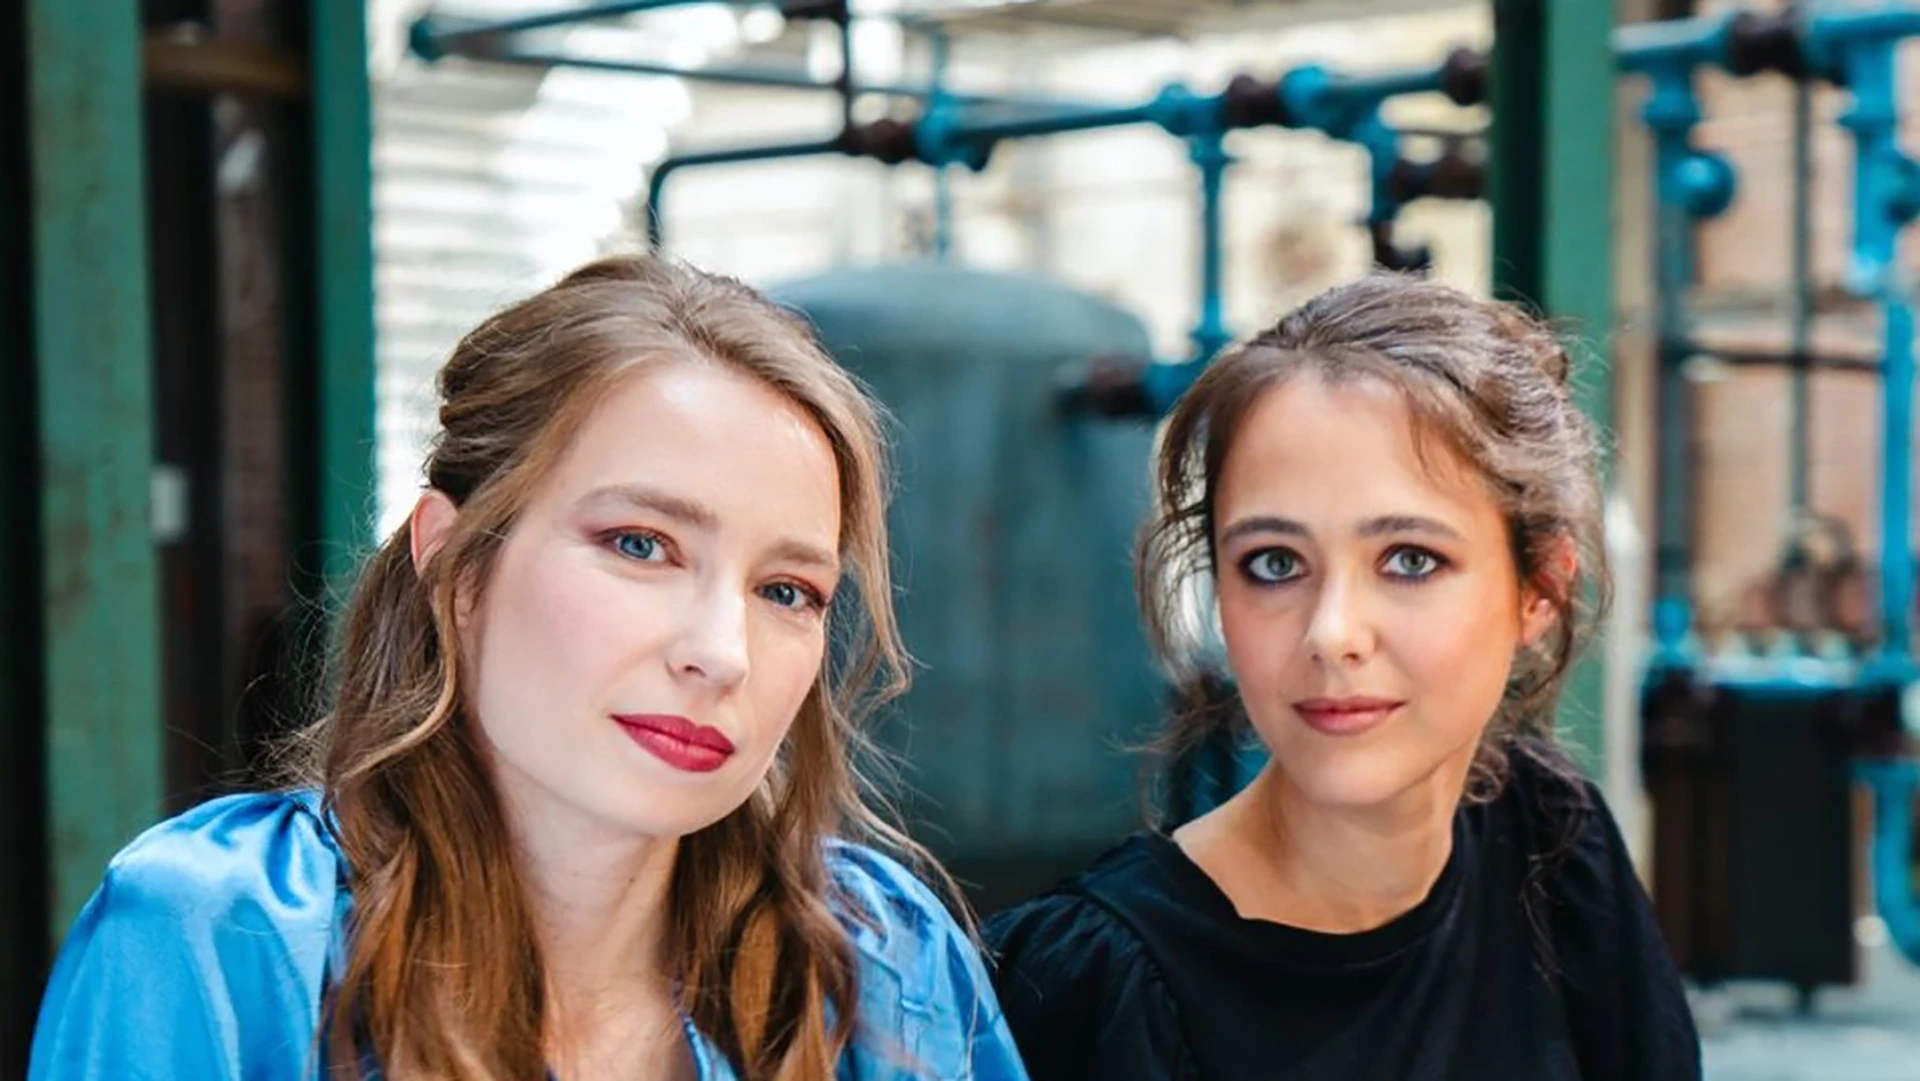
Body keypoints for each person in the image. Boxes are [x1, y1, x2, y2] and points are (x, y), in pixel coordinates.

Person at [30, 254, 1030, 1081]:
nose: (719, 655)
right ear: (455, 566)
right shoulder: (218, 942)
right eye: (641, 544)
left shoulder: (884, 960)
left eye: (787, 592)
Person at [984, 273, 1701, 1081]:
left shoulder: (1550, 842)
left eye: (1409, 560)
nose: (1331, 633)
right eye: (1275, 563)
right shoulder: (1095, 980)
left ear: (1540, 587)